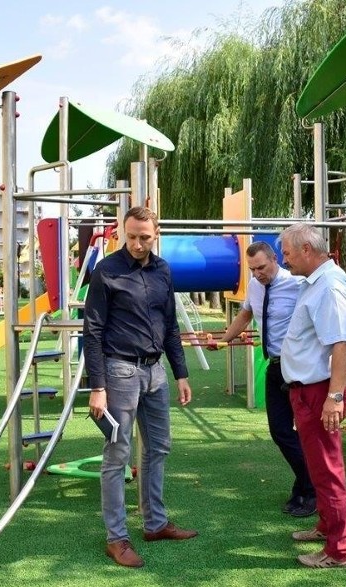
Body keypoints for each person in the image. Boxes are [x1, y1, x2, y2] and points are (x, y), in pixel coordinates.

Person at [83, 206, 198, 569]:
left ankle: (155, 523)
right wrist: (97, 386)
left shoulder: (163, 270)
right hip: (119, 372)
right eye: (131, 236)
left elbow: (170, 328)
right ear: (122, 233)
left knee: (159, 447)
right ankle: (116, 538)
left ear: (155, 234)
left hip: (156, 372)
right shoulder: (106, 272)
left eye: (144, 237)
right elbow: (93, 331)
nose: (136, 243)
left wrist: (181, 373)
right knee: (117, 455)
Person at [212, 241, 316, 517]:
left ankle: (309, 489)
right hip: (275, 366)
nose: (257, 273)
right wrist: (224, 340)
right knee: (280, 431)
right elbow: (245, 315)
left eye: (261, 267)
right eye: (252, 269)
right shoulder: (256, 286)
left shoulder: (297, 284)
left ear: (274, 260)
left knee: (305, 431)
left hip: (298, 368)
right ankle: (307, 484)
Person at [278, 222, 346, 569]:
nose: (285, 260)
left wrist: (334, 397)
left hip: (319, 392)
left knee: (327, 471)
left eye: (288, 253)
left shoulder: (329, 285)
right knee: (317, 467)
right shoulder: (317, 282)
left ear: (307, 250)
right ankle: (326, 526)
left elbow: (341, 342)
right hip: (307, 391)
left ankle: (338, 550)